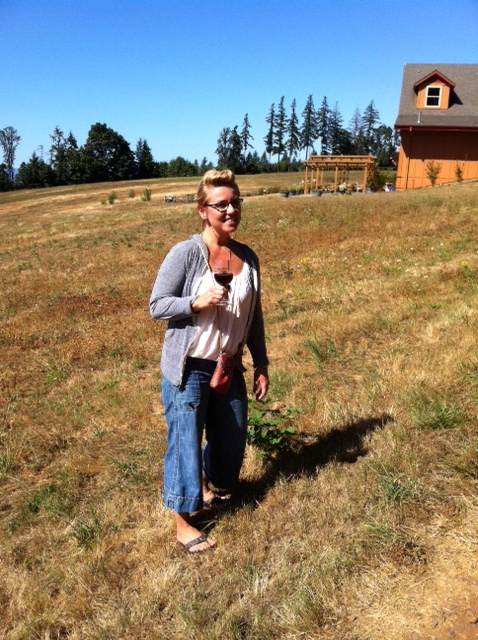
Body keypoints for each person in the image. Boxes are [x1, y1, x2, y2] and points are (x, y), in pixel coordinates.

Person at [149, 169, 269, 554]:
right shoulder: (186, 253)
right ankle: (183, 522)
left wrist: (261, 362)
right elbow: (157, 305)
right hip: (189, 367)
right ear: (202, 211)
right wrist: (195, 303)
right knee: (184, 442)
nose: (231, 210)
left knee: (232, 440)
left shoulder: (248, 257)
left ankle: (205, 481)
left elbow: (254, 315)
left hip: (227, 365)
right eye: (221, 205)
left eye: (235, 203)